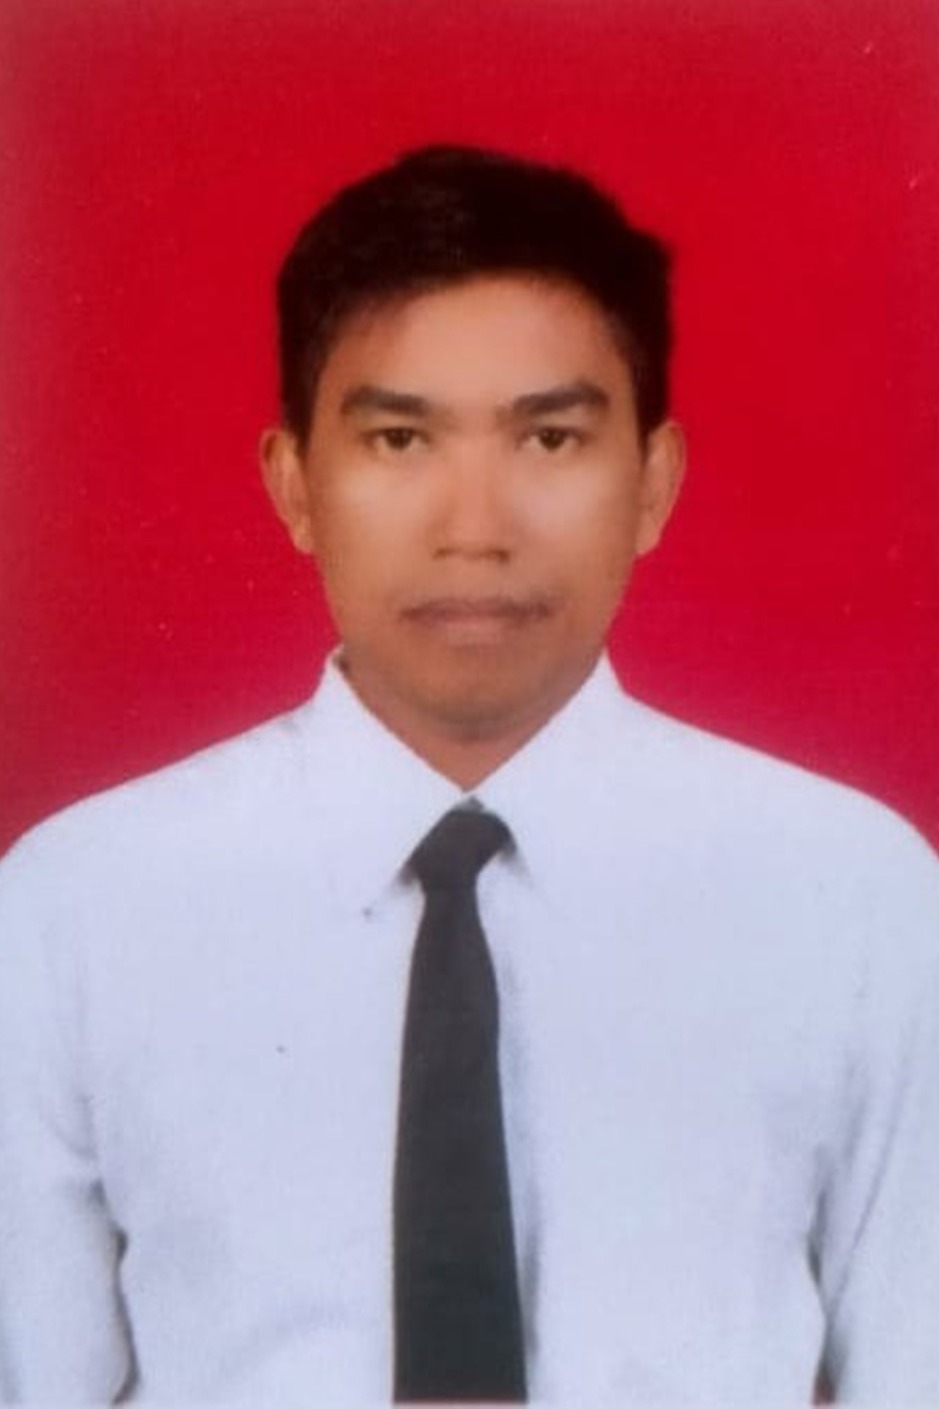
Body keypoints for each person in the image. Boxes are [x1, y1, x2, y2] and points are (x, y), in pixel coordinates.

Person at [1, 145, 937, 1406]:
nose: (476, 527)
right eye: (399, 438)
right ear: (295, 485)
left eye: (551, 437)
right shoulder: (75, 905)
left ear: (654, 483)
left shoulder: (856, 894)